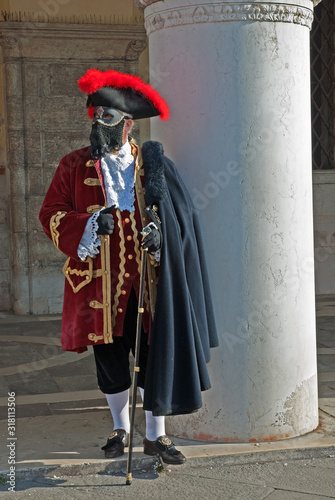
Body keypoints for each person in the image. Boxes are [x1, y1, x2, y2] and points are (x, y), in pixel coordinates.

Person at [39, 68, 218, 465]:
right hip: (95, 286)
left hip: (148, 284)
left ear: (127, 123)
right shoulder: (73, 166)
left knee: (152, 358)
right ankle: (119, 428)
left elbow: (180, 220)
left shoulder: (155, 167)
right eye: (95, 117)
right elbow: (49, 213)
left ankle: (156, 436)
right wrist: (85, 224)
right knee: (111, 361)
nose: (98, 125)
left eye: (107, 117)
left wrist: (159, 235)